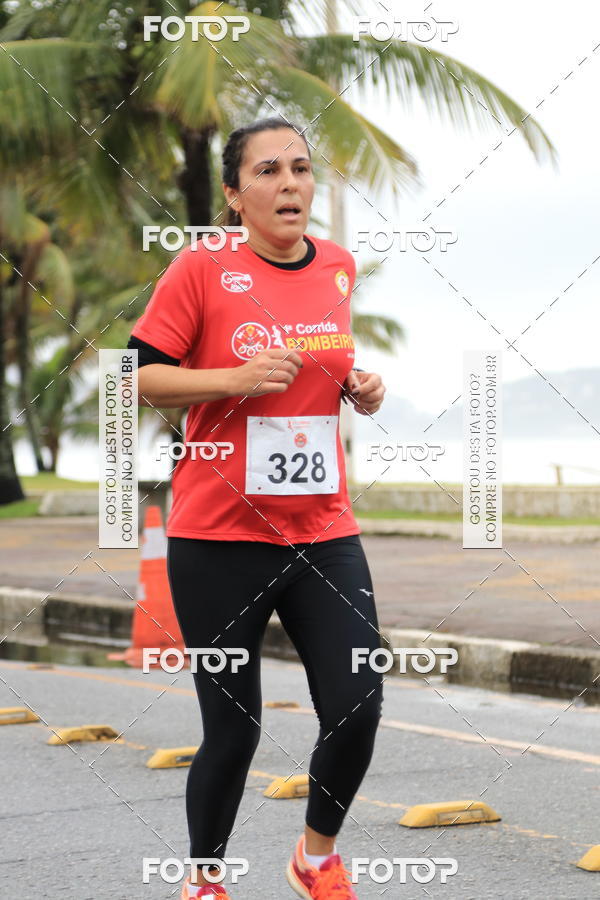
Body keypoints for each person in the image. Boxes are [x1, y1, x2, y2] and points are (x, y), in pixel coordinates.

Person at [128, 116, 386, 899]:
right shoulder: (201, 270)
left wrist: (359, 387)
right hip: (217, 535)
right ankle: (204, 877)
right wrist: (230, 380)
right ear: (235, 196)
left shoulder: (338, 267)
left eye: (301, 169)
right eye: (268, 171)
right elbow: (138, 377)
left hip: (322, 530)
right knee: (233, 728)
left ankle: (315, 855)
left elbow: (319, 370)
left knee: (359, 702)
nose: (289, 184)